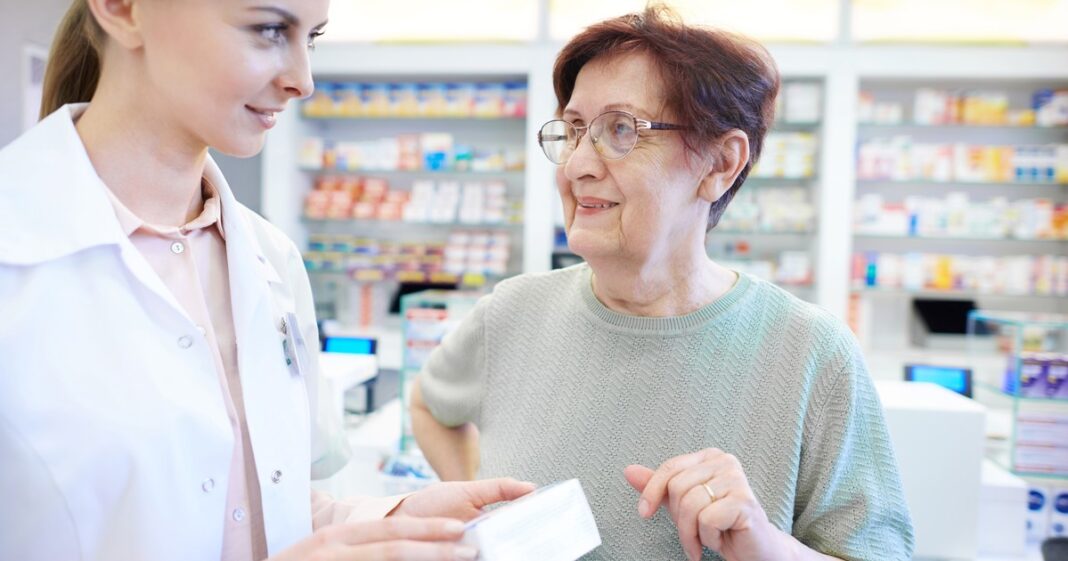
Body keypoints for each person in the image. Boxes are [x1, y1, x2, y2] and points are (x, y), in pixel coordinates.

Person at [0, 1, 533, 560]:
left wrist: (389, 521)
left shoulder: (270, 258)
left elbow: (256, 510)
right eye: (269, 29)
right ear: (124, 9)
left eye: (314, 38)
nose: (303, 80)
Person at [411, 6, 915, 561]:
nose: (578, 163)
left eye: (620, 130)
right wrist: (496, 519)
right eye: (574, 130)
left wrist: (766, 545)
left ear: (720, 164)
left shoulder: (812, 352)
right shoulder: (512, 311)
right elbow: (430, 405)